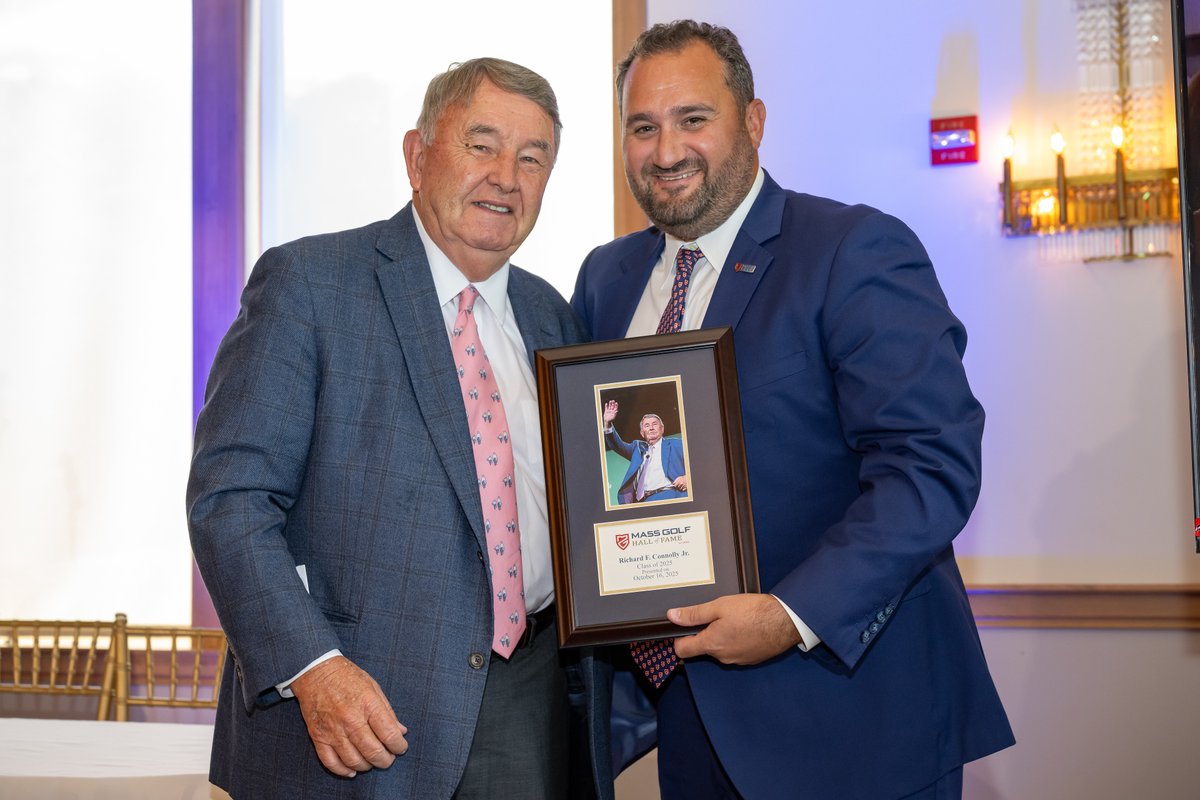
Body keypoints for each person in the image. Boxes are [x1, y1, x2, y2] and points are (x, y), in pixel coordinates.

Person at [572, 20, 1015, 800]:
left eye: (693, 119)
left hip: (852, 724)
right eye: (643, 127)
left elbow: (931, 467)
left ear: (753, 120)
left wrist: (789, 614)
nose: (666, 150)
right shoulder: (606, 279)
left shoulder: (852, 249)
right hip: (685, 720)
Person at [188, 58, 611, 800]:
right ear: (418, 157)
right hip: (353, 708)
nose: (506, 176)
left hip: (527, 701)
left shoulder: (553, 318)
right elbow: (230, 501)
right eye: (482, 145)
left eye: (532, 157)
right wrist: (313, 667)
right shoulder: (310, 285)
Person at [602, 400, 688, 503]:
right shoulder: (637, 449)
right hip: (645, 502)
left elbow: (701, 462)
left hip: (672, 495)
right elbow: (616, 445)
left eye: (655, 424)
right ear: (642, 433)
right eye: (647, 426)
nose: (651, 428)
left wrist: (688, 477)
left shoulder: (677, 444)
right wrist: (607, 424)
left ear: (662, 429)